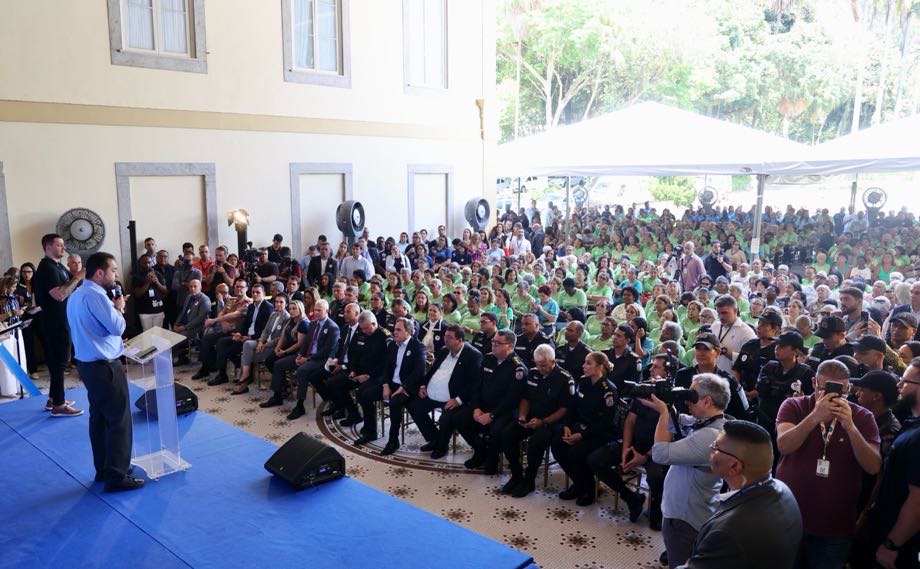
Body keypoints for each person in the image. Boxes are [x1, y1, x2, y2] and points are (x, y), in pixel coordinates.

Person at [775, 359, 881, 569]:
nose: (832, 397)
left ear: (849, 388)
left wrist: (850, 426)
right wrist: (814, 417)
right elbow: (784, 446)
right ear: (814, 383)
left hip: (835, 526)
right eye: (825, 389)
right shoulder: (794, 405)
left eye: (840, 391)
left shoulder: (862, 416)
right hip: (788, 518)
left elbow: (873, 467)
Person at [678, 420, 803, 569]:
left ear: (734, 466)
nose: (710, 448)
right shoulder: (783, 489)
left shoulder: (726, 533)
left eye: (716, 446)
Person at [66, 252, 143, 492]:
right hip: (105, 366)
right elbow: (118, 327)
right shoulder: (97, 296)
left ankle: (104, 468)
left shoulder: (76, 295)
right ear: (100, 273)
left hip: (87, 364)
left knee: (99, 419)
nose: (116, 275)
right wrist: (119, 308)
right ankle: (117, 475)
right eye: (113, 270)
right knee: (119, 419)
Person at [643, 373, 731, 569]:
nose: (686, 400)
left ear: (707, 401)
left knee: (680, 563)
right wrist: (662, 403)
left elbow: (660, 454)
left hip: (685, 520)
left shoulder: (711, 436)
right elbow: (681, 421)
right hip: (690, 512)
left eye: (691, 395)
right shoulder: (716, 423)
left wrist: (664, 413)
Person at [866, 358, 920, 568]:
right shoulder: (912, 424)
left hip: (901, 545)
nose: (898, 385)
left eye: (904, 381)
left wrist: (892, 544)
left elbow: (917, 500)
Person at [501, 343, 570, 497]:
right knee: (507, 434)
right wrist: (522, 415)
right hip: (531, 417)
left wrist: (543, 422)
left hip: (552, 423)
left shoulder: (564, 379)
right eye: (537, 364)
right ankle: (516, 474)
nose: (539, 368)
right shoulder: (533, 373)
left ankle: (529, 479)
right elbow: (526, 398)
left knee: (536, 442)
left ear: (553, 362)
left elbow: (563, 410)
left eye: (543, 365)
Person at [552, 351, 620, 507]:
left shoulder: (608, 390)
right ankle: (579, 483)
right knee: (557, 445)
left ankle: (590, 489)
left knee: (576, 451)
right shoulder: (583, 382)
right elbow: (572, 407)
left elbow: (605, 422)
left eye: (588, 363)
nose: (583, 366)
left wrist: (582, 435)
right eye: (584, 362)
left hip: (601, 433)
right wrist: (567, 426)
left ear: (600, 367)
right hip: (581, 428)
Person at [407, 324, 483, 459]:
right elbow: (432, 371)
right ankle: (434, 439)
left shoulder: (473, 355)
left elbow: (474, 383)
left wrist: (459, 400)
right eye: (445, 336)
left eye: (449, 337)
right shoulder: (443, 350)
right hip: (432, 393)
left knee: (445, 418)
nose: (445, 339)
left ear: (460, 340)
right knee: (414, 406)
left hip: (452, 398)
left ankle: (442, 447)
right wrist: (423, 385)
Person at [457, 329, 528, 474]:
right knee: (460, 419)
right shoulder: (488, 358)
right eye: (493, 341)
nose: (493, 345)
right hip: (483, 405)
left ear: (510, 345)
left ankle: (493, 458)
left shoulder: (518, 368)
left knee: (496, 429)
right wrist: (476, 408)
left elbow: (512, 399)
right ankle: (480, 450)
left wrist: (492, 415)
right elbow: (476, 386)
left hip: (504, 411)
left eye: (498, 343)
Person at [354, 317, 426, 455]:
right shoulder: (393, 345)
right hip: (392, 384)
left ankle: (393, 441)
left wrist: (403, 386)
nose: (395, 332)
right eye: (394, 329)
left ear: (408, 332)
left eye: (399, 330)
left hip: (408, 387)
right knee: (364, 395)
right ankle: (370, 431)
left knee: (394, 403)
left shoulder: (418, 347)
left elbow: (419, 372)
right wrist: (386, 385)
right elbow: (386, 368)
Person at [33, 233, 84, 416]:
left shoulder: (58, 265)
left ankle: (53, 399)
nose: (63, 248)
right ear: (48, 247)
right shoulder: (46, 268)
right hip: (54, 323)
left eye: (63, 244)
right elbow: (60, 295)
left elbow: (72, 285)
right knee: (59, 364)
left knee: (59, 363)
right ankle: (59, 405)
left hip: (62, 320)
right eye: (59, 245)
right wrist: (78, 277)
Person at [326, 309, 389, 429]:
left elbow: (386, 364)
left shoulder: (384, 337)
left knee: (362, 394)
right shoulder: (361, 332)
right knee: (334, 383)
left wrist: (368, 376)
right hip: (359, 371)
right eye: (362, 328)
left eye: (366, 328)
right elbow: (355, 354)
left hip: (376, 375)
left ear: (374, 324)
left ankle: (370, 429)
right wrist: (353, 370)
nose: (363, 331)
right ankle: (353, 413)